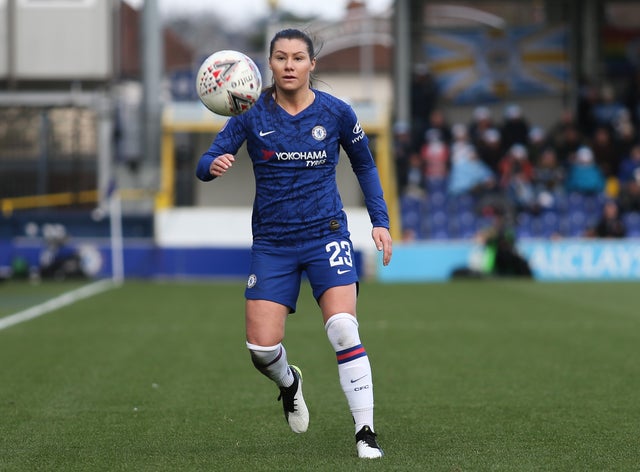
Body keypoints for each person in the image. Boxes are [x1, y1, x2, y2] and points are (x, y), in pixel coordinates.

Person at [195, 28, 392, 459]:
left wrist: (380, 221)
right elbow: (204, 162)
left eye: (298, 58)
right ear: (269, 64)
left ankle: (365, 432)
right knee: (261, 349)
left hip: (326, 235)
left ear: (311, 64)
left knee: (343, 328)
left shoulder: (337, 112)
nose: (289, 65)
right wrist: (213, 165)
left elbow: (365, 165)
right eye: (281, 57)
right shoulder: (249, 112)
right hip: (273, 244)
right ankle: (289, 382)